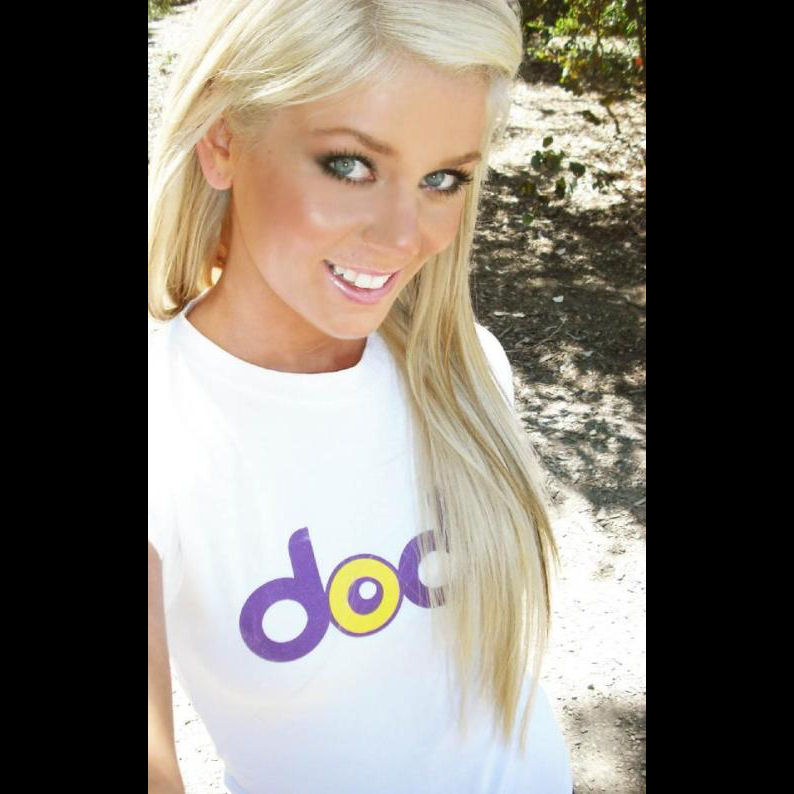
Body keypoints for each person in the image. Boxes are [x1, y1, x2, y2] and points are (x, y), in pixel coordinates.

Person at [148, 1, 573, 792]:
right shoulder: (162, 427)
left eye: (443, 179)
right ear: (223, 141)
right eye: (349, 166)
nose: (404, 235)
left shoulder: (468, 375)